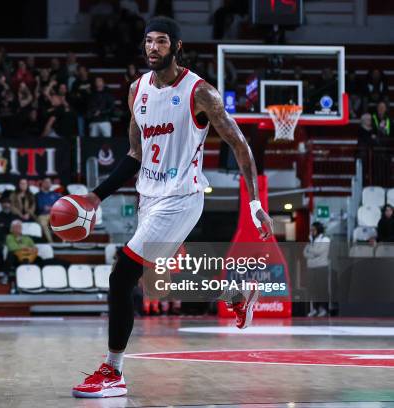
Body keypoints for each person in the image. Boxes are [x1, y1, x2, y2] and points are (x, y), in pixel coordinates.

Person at [72, 16, 273, 398]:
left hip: (183, 197)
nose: (153, 48)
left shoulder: (201, 93)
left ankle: (113, 371)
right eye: (148, 41)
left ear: (177, 46)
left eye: (161, 42)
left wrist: (254, 203)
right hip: (149, 198)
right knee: (155, 285)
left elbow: (240, 144)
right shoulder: (137, 90)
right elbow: (134, 154)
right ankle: (236, 294)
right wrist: (97, 195)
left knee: (121, 276)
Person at [303, 222, 331, 317]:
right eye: (311, 230)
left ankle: (324, 309)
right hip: (311, 268)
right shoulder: (311, 241)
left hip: (321, 267)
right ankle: (315, 308)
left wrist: (311, 251)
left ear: (318, 230)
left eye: (313, 229)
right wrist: (312, 250)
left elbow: (318, 252)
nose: (311, 232)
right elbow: (304, 253)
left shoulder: (325, 239)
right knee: (313, 289)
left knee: (322, 289)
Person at [35, 178, 61, 242]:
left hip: (54, 215)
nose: (48, 184)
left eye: (49, 182)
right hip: (43, 215)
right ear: (42, 183)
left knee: (63, 222)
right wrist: (52, 207)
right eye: (46, 182)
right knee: (44, 225)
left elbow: (59, 205)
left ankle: (63, 242)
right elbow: (41, 207)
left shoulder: (55, 195)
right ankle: (51, 243)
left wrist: (50, 207)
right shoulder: (38, 195)